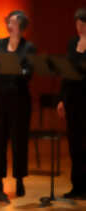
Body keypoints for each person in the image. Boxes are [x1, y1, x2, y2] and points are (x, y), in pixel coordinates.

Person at [0, 10, 36, 197]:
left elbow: (29, 73)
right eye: (8, 21)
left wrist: (14, 69)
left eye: (12, 22)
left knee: (19, 140)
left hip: (20, 99)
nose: (8, 25)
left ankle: (19, 180)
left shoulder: (28, 47)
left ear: (21, 25)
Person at [57, 8, 86, 199]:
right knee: (75, 145)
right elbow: (67, 73)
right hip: (73, 100)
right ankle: (77, 186)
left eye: (82, 23)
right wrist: (61, 99)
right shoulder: (72, 43)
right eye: (77, 23)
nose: (79, 27)